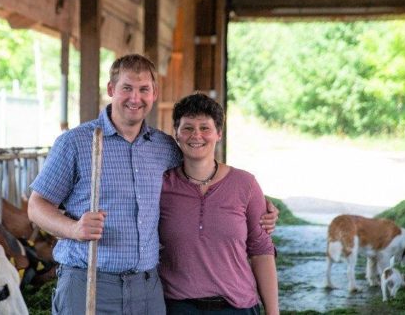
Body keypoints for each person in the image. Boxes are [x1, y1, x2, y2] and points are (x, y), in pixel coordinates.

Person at [28, 54, 277, 315]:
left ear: (154, 93)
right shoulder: (77, 142)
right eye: (127, 88)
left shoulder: (164, 148)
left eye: (143, 89)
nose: (135, 98)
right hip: (89, 281)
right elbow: (36, 206)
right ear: (111, 89)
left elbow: (203, 173)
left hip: (147, 289)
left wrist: (261, 207)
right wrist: (74, 228)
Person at [159, 92, 279, 315]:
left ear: (219, 134)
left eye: (205, 127)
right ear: (176, 134)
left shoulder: (245, 184)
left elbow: (261, 251)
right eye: (187, 128)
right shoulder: (162, 186)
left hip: (237, 307)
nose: (196, 135)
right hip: (178, 307)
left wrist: (273, 312)